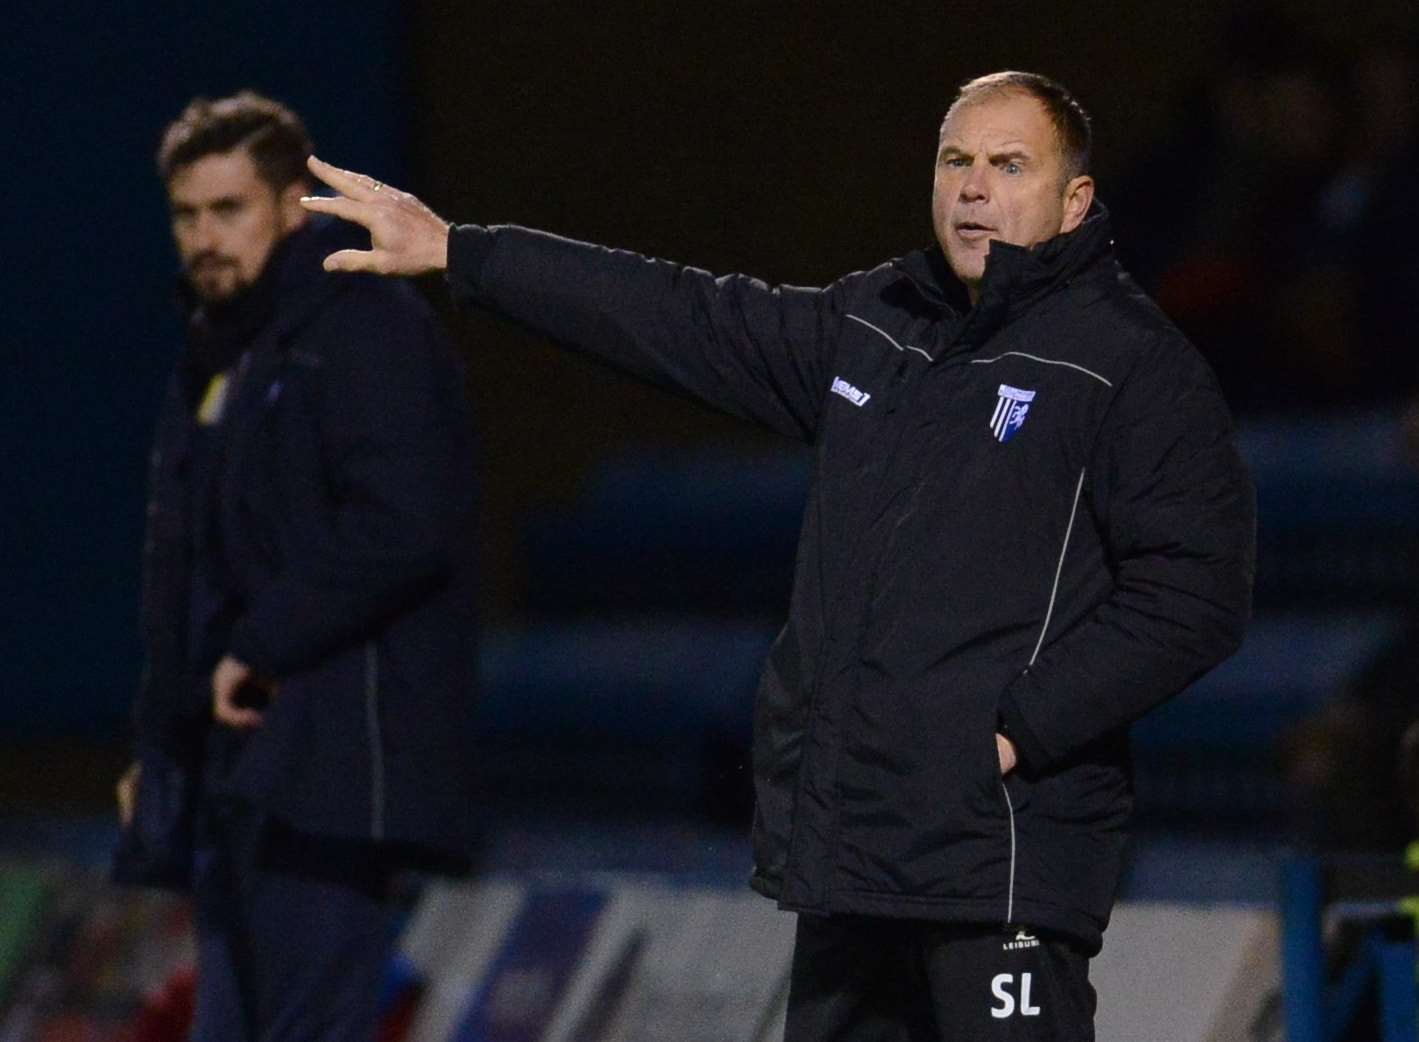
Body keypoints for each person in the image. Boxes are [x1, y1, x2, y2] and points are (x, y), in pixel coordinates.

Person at [303, 71, 1256, 1041]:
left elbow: (1197, 590)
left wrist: (1015, 731)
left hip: (997, 859)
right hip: (856, 852)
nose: (972, 187)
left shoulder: (1130, 366)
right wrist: (463, 253)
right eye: (955, 160)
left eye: (1009, 165)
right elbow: (683, 314)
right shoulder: (881, 321)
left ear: (1075, 200)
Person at [115, 92, 479, 1042]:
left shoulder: (367, 332)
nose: (203, 238)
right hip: (242, 774)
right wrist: (160, 750)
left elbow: (406, 523)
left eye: (227, 210)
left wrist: (262, 645)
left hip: (333, 776)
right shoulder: (220, 356)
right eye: (186, 215)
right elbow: (187, 576)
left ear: (286, 209)